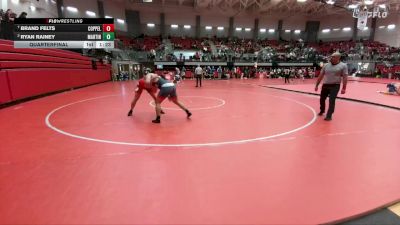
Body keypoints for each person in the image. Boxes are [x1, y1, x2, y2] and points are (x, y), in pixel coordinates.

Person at [315, 52, 348, 121]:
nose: (331, 58)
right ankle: (322, 110)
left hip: (335, 85)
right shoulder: (326, 65)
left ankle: (329, 115)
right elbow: (321, 75)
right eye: (331, 56)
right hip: (325, 85)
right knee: (322, 99)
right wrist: (317, 85)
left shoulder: (343, 66)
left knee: (331, 100)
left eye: (333, 57)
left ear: (338, 58)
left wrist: (344, 88)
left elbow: (345, 77)